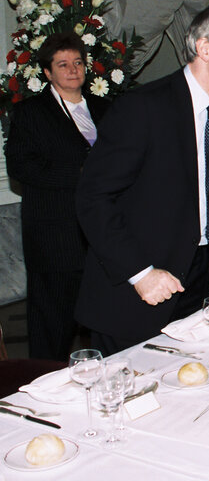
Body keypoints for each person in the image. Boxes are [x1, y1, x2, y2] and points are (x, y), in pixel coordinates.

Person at [75, 2, 209, 355]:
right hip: (133, 292)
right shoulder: (143, 107)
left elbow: (207, 194)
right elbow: (92, 198)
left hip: (198, 283)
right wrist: (140, 273)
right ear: (204, 47)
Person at [4, 32, 110, 360]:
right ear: (48, 73)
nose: (73, 70)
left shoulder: (106, 108)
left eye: (78, 62)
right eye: (63, 64)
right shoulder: (31, 113)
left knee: (104, 318)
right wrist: (80, 175)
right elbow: (22, 167)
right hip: (55, 237)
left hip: (102, 235)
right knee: (52, 326)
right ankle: (44, 387)